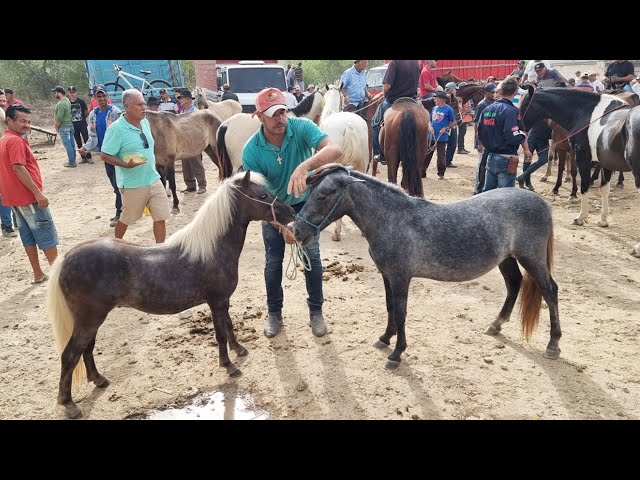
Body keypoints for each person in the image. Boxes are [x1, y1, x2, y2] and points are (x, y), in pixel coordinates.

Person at [241, 87, 342, 339]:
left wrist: (305, 166)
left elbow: (334, 150)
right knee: (273, 262)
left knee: (313, 258)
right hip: (273, 209)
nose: (280, 119)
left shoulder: (300, 127)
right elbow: (257, 197)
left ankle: (316, 312)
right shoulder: (251, 151)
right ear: (259, 116)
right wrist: (281, 225)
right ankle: (274, 314)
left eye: (283, 112)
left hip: (305, 206)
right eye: (273, 114)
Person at [100, 89, 171, 243]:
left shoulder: (145, 122)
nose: (144, 108)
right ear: (127, 107)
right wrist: (125, 164)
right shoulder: (116, 129)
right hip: (133, 184)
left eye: (144, 104)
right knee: (127, 219)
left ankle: (160, 250)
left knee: (161, 216)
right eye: (139, 105)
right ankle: (115, 245)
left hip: (153, 178)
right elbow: (104, 155)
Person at [0, 105, 59, 283]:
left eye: (29, 121)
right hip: (28, 198)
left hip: (16, 199)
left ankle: (38, 273)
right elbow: (18, 168)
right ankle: (59, 278)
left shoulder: (5, 139)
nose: (27, 125)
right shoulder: (16, 141)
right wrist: (38, 193)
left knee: (28, 236)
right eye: (22, 121)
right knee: (46, 235)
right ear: (9, 120)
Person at [78, 86, 123, 227]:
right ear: (95, 98)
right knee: (115, 185)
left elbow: (122, 132)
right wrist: (86, 147)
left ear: (107, 96)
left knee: (118, 184)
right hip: (106, 155)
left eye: (104, 96)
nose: (102, 99)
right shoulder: (93, 115)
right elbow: (92, 136)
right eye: (99, 97)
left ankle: (120, 213)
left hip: (117, 154)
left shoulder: (115, 112)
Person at [478, 77, 532, 191]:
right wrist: (522, 138)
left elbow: (480, 132)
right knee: (505, 195)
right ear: (515, 92)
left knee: (488, 193)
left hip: (490, 156)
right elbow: (511, 136)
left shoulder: (487, 109)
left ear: (500, 92)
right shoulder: (512, 111)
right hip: (506, 158)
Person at [371, 60, 421, 165]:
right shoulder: (416, 63)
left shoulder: (394, 63)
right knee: (426, 121)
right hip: (413, 99)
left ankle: (379, 154)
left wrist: (384, 94)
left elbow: (387, 86)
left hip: (393, 100)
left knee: (375, 123)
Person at [176, 89, 207, 195]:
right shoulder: (181, 112)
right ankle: (190, 185)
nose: (180, 100)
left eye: (182, 98)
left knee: (196, 163)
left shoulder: (196, 113)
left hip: (194, 142)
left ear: (188, 100)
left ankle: (202, 185)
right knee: (186, 165)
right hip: (183, 142)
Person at [422, 91, 455, 180]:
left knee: (441, 156)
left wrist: (446, 128)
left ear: (441, 99)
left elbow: (454, 122)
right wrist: (430, 127)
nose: (434, 100)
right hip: (432, 135)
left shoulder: (448, 109)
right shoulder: (434, 109)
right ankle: (422, 172)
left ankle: (441, 173)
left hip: (442, 136)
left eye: (436, 98)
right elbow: (429, 120)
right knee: (427, 154)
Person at [516, 116, 552, 192]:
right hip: (532, 136)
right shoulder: (537, 109)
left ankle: (522, 177)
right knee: (527, 160)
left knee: (544, 159)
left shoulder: (552, 112)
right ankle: (527, 182)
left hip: (544, 139)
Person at [472, 82, 497, 194]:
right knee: (482, 165)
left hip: (491, 138)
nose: (494, 94)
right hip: (483, 139)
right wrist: (479, 142)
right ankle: (478, 189)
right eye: (492, 92)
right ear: (486, 93)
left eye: (495, 92)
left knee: (487, 164)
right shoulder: (482, 104)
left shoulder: (495, 103)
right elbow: (477, 124)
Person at [51, 86, 77, 168]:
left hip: (64, 126)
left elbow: (59, 117)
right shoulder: (67, 101)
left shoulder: (61, 103)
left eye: (55, 93)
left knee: (67, 144)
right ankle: (73, 160)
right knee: (72, 144)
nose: (55, 95)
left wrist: (56, 126)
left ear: (59, 93)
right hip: (69, 125)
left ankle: (71, 162)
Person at [67, 86, 92, 164]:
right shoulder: (67, 102)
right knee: (78, 141)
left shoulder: (81, 101)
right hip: (73, 125)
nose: (72, 94)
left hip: (82, 124)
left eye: (73, 92)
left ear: (76, 93)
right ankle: (83, 157)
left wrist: (83, 119)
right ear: (68, 93)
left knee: (86, 140)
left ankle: (89, 156)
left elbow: (86, 112)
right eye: (70, 92)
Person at [443, 82, 461, 166]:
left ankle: (447, 161)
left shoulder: (455, 99)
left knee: (453, 142)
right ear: (450, 90)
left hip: (452, 123)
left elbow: (456, 111)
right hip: (444, 123)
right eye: (454, 89)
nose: (456, 91)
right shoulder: (443, 99)